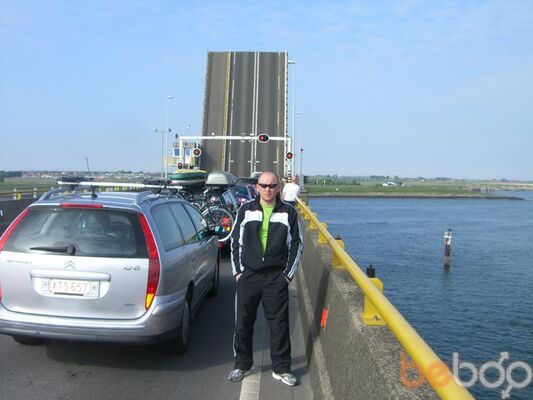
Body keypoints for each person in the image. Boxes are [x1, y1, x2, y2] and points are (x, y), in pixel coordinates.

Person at [228, 171, 303, 387]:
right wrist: (238, 272)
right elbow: (235, 240)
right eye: (264, 185)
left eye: (272, 185)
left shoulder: (288, 212)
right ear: (257, 187)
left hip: (275, 277)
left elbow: (297, 244)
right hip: (249, 275)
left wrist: (287, 276)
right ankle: (242, 365)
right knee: (243, 323)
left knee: (279, 325)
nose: (268, 189)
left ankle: (281, 368)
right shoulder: (245, 209)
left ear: (279, 188)